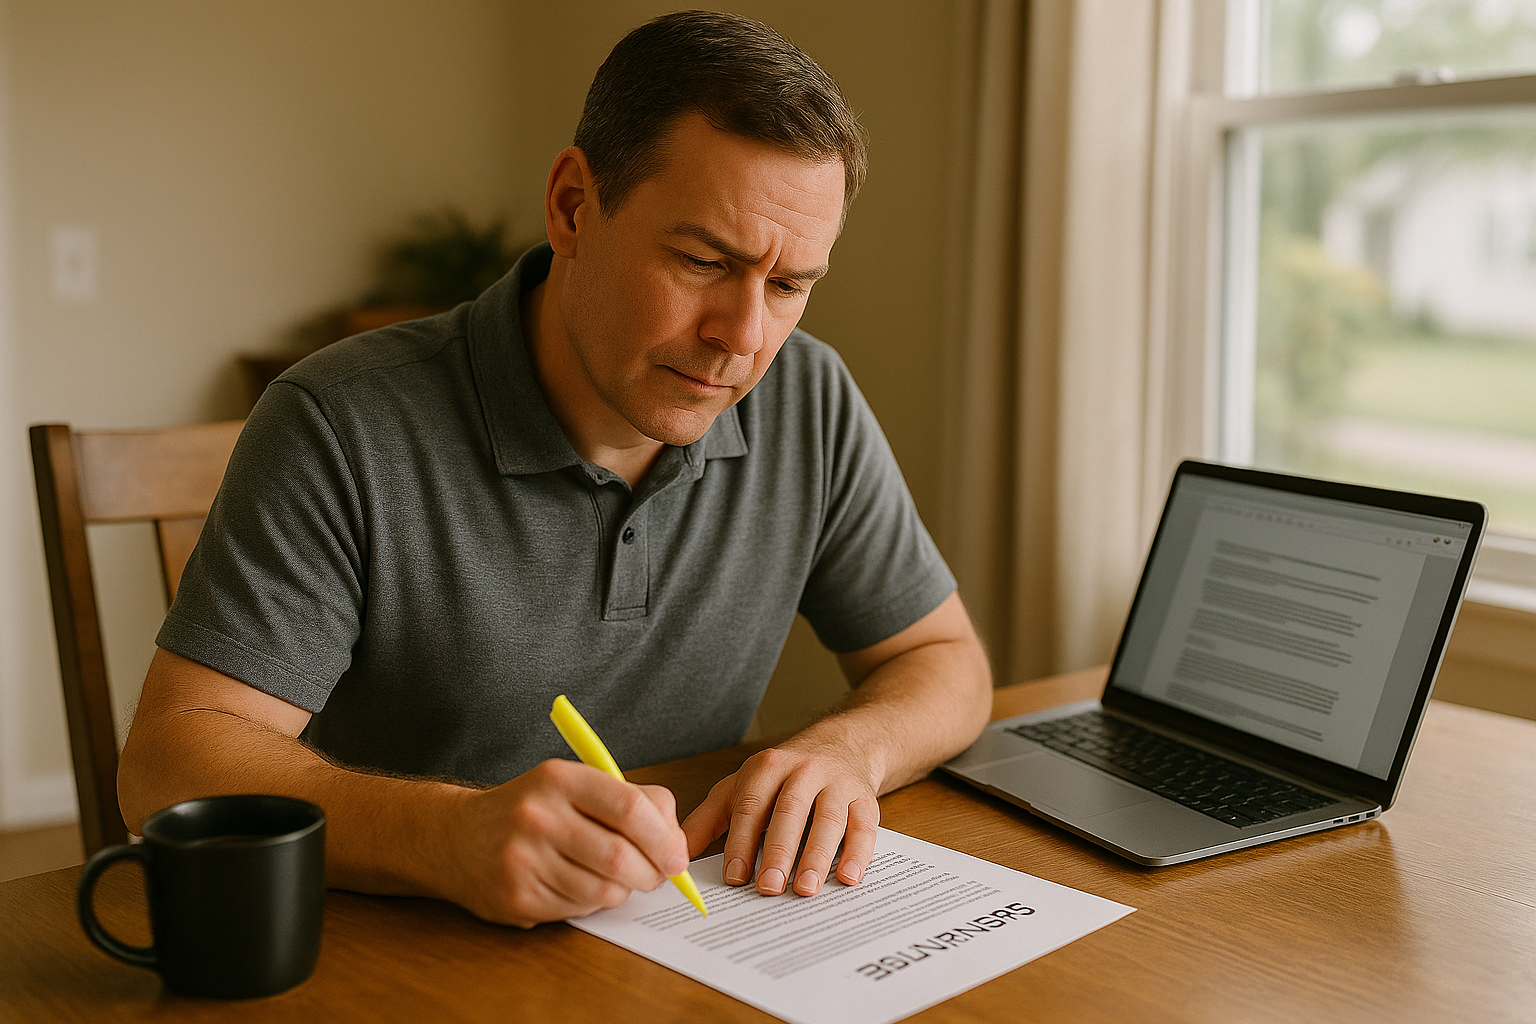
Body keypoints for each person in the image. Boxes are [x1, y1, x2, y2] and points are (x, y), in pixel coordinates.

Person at [117, 10, 992, 929]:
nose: (744, 338)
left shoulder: (807, 397)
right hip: (400, 952)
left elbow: (943, 661)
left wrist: (853, 749)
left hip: (683, 946)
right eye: (702, 260)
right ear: (574, 206)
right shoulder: (341, 420)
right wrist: (448, 834)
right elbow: (170, 764)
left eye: (788, 287)